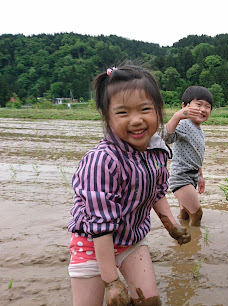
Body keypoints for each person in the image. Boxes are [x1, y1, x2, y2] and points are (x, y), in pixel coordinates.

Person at [67, 64, 191, 306]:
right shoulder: (102, 161)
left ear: (158, 111)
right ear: (108, 117)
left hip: (131, 241)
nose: (136, 120)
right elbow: (100, 227)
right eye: (122, 113)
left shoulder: (157, 151)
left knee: (149, 302)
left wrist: (172, 226)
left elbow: (156, 192)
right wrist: (111, 281)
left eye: (145, 109)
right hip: (93, 245)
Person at [162, 86, 213, 226]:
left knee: (185, 214)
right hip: (181, 177)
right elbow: (166, 137)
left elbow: (198, 156)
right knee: (197, 214)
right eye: (198, 104)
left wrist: (200, 176)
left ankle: (181, 238)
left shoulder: (200, 131)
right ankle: (192, 244)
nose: (203, 109)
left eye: (207, 107)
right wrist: (178, 115)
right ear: (185, 106)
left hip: (192, 176)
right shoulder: (184, 124)